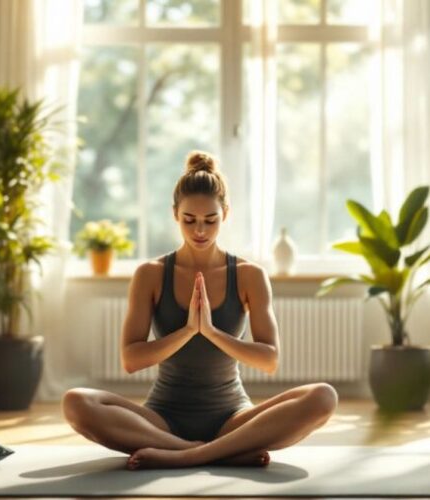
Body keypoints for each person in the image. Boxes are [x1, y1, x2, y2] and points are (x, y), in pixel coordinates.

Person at [62, 150, 339, 470]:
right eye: (189, 220)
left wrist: (211, 331)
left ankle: (189, 456)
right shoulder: (150, 274)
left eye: (211, 220)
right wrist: (187, 331)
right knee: (76, 402)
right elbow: (131, 360)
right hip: (161, 420)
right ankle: (207, 452)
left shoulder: (249, 275)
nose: (200, 231)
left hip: (233, 419)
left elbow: (269, 359)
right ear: (175, 214)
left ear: (226, 214)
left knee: (323, 397)